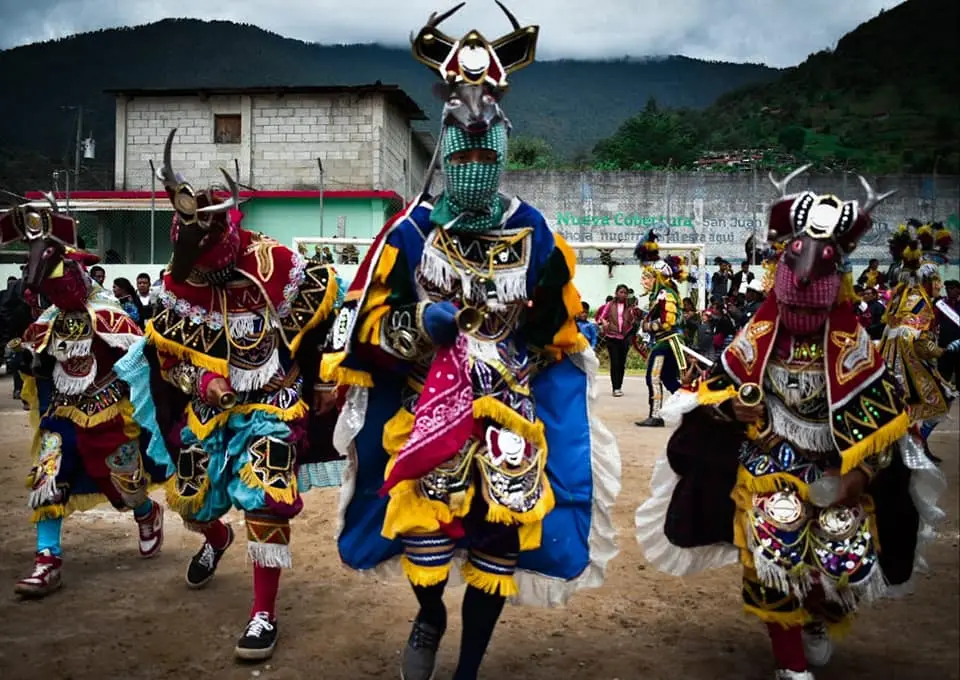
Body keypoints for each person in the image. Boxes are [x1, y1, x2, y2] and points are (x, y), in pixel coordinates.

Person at [322, 9, 620, 680]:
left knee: (500, 542)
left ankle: (469, 669)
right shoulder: (407, 231)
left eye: (489, 148)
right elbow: (367, 321)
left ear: (506, 146)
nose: (477, 161)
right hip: (425, 407)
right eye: (464, 145)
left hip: (510, 413)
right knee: (421, 529)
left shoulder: (534, 228)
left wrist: (530, 347)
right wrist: (416, 334)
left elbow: (558, 322)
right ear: (445, 147)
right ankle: (429, 615)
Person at [635, 169, 945, 680]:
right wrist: (732, 410)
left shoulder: (858, 347)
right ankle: (790, 665)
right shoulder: (755, 335)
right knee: (773, 558)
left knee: (843, 565)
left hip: (835, 469)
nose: (802, 292)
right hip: (766, 464)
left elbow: (888, 427)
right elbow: (716, 390)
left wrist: (860, 476)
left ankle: (820, 616)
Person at [113, 134, 344, 661]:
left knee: (265, 500)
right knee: (191, 502)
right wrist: (201, 381)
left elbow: (324, 314)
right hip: (209, 411)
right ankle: (215, 539)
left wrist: (326, 378)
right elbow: (167, 358)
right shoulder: (175, 283)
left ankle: (264, 612)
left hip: (273, 404)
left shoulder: (277, 262)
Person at [0, 198, 167, 598]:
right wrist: (27, 358)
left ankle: (146, 512)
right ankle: (47, 559)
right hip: (62, 411)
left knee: (124, 484)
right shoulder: (48, 318)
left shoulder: (109, 311)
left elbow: (138, 357)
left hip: (108, 411)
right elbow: (36, 358)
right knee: (48, 475)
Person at [879, 221, 958, 443]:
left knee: (912, 407)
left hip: (894, 362)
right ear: (926, 279)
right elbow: (917, 339)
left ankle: (914, 445)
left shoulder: (905, 295)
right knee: (941, 399)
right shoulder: (917, 301)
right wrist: (943, 351)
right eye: (936, 280)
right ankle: (917, 445)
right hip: (905, 366)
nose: (940, 285)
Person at [634, 230, 689, 427]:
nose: (643, 281)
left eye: (647, 278)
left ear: (657, 279)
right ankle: (690, 411)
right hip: (665, 342)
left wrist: (647, 325)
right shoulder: (659, 296)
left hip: (667, 343)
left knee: (654, 377)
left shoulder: (666, 295)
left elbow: (668, 323)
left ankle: (656, 415)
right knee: (668, 378)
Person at [598, 284, 635, 396]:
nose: (623, 294)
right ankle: (615, 388)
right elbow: (602, 317)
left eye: (625, 293)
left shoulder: (630, 306)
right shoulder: (610, 305)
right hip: (612, 337)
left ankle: (619, 386)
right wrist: (604, 323)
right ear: (616, 293)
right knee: (615, 363)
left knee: (622, 363)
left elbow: (633, 319)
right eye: (621, 292)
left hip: (625, 337)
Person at [938, 279, 960, 386]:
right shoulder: (941, 305)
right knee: (943, 375)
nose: (949, 291)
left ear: (958, 290)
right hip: (944, 344)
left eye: (952, 288)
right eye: (947, 289)